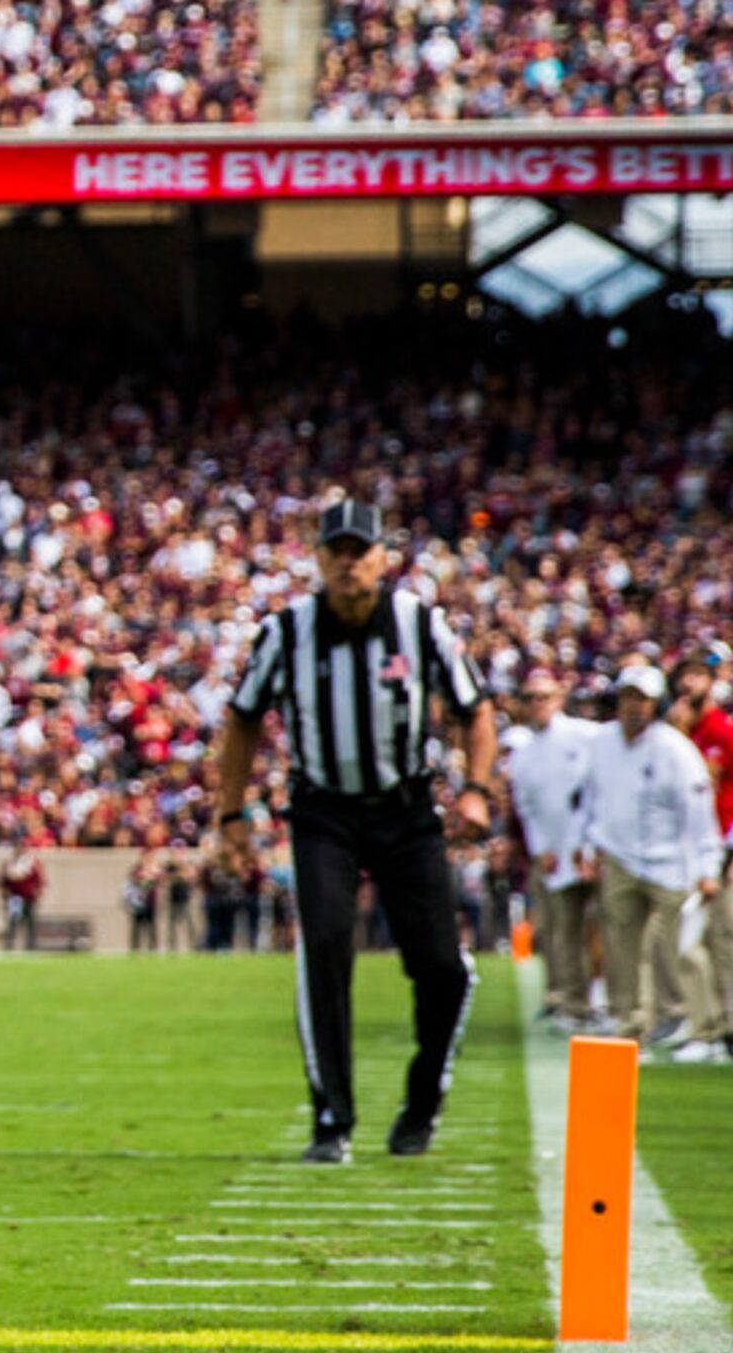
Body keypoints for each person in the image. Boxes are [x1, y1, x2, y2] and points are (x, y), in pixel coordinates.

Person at [214, 498, 494, 1163]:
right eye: (334, 551)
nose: (347, 563)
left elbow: (474, 710)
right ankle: (331, 1119)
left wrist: (477, 792)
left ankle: (423, 1098)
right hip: (323, 814)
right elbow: (241, 717)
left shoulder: (417, 623)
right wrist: (230, 814)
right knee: (326, 949)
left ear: (381, 559)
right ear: (317, 559)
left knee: (440, 966)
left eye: (358, 551)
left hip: (404, 810)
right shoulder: (287, 630)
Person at [576, 663, 722, 1055]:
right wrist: (586, 845)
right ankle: (631, 1024)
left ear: (655, 704)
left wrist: (707, 867)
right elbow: (590, 799)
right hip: (621, 857)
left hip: (670, 862)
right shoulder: (602, 743)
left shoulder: (675, 750)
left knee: (673, 945)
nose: (634, 707)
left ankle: (694, 1023)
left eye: (642, 700)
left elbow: (697, 812)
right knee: (621, 945)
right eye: (628, 698)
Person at [505, 667, 598, 1030]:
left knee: (606, 927)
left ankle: (606, 1002)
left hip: (594, 849)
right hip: (555, 854)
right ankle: (572, 1003)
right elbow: (528, 810)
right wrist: (542, 848)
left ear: (559, 698)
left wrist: (589, 844)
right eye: (529, 698)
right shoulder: (524, 755)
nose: (536, 704)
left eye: (543, 696)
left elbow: (597, 794)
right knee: (562, 930)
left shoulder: (586, 736)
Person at [666, 657, 733, 1062]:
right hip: (688, 852)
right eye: (682, 677)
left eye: (696, 677)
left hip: (726, 847)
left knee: (729, 938)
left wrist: (731, 850)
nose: (687, 684)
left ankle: (729, 1028)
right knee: (690, 941)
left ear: (711, 684)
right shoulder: (677, 735)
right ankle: (706, 1026)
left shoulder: (725, 732)